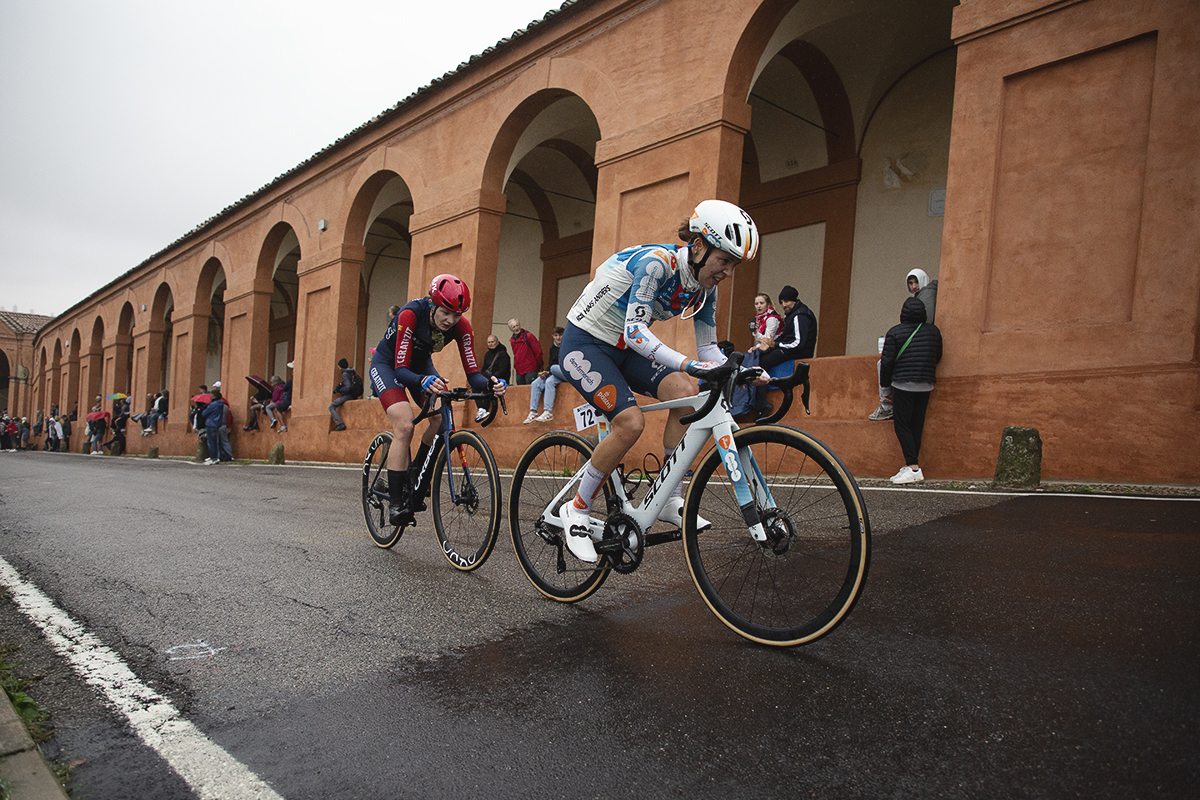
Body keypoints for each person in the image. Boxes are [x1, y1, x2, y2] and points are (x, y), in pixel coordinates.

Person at [557, 199, 769, 562]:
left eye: (733, 264)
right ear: (699, 246)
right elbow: (636, 331)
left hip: (624, 349)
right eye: (724, 260)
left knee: (686, 392)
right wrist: (689, 364)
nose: (727, 272)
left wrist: (742, 369)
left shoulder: (705, 288)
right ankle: (575, 509)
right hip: (586, 344)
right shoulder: (657, 264)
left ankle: (670, 498)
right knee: (630, 423)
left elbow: (708, 348)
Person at [369, 273, 507, 526]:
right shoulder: (411, 315)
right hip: (388, 365)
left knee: (440, 420)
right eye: (445, 312)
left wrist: (491, 383)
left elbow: (473, 374)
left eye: (457, 315)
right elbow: (401, 370)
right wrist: (422, 380)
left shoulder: (461, 327)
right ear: (432, 304)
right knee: (405, 425)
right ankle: (396, 503)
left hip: (420, 365)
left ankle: (416, 473)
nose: (450, 320)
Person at [880, 296, 943, 484]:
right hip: (926, 383)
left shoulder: (895, 332)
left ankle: (913, 466)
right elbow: (938, 356)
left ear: (903, 314)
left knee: (902, 424)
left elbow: (887, 362)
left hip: (903, 384)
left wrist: (885, 388)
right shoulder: (934, 332)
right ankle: (911, 466)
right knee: (917, 424)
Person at [870, 268, 938, 421]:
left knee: (882, 364)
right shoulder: (924, 295)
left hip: (915, 358)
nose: (914, 286)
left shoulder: (926, 294)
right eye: (910, 283)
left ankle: (886, 405)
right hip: (923, 365)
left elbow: (925, 322)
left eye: (916, 282)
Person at [526, 326, 564, 424]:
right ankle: (534, 411)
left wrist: (549, 372)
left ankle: (548, 411)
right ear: (553, 336)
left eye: (560, 335)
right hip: (553, 373)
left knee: (551, 374)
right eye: (556, 335)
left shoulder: (567, 346)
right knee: (536, 383)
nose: (558, 338)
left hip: (565, 372)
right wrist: (545, 373)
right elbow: (551, 364)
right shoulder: (553, 348)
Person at [474, 334, 511, 422]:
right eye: (489, 342)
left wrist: (491, 377)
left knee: (489, 386)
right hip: (489, 378)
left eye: (492, 342)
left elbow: (503, 370)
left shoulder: (503, 354)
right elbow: (484, 369)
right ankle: (481, 409)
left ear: (497, 342)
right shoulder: (487, 354)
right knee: (475, 386)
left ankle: (485, 408)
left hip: (500, 379)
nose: (491, 344)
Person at [508, 318, 543, 385]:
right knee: (520, 389)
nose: (516, 328)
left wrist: (539, 366)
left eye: (517, 325)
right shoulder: (513, 341)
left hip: (530, 369)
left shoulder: (528, 336)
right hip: (519, 370)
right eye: (514, 327)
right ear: (511, 329)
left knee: (530, 388)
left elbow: (538, 352)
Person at [329, 358, 360, 431]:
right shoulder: (351, 372)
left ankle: (340, 424)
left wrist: (341, 390)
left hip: (348, 396)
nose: (338, 367)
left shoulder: (345, 374)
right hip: (353, 395)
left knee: (331, 406)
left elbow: (348, 386)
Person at [202, 389, 230, 465]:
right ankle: (215, 457)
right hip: (217, 424)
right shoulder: (221, 404)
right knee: (215, 442)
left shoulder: (212, 405)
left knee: (211, 442)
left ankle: (213, 457)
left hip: (211, 423)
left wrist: (207, 406)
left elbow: (204, 413)